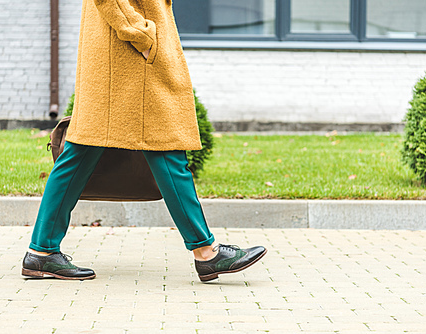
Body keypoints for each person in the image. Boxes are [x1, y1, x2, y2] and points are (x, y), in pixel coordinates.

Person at [21, 0, 266, 282]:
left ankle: (41, 252)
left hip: (120, 59)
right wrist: (141, 34)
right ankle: (206, 252)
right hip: (129, 58)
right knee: (164, 147)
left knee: (82, 151)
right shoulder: (138, 40)